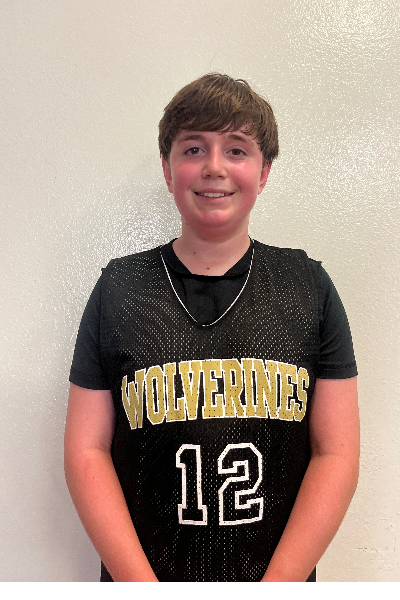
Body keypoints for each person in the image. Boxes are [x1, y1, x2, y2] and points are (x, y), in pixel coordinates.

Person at [64, 73, 359, 582]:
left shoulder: (307, 286)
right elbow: (85, 451)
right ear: (168, 169)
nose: (214, 167)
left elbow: (336, 453)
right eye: (194, 148)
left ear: (264, 172)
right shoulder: (120, 288)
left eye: (237, 150)